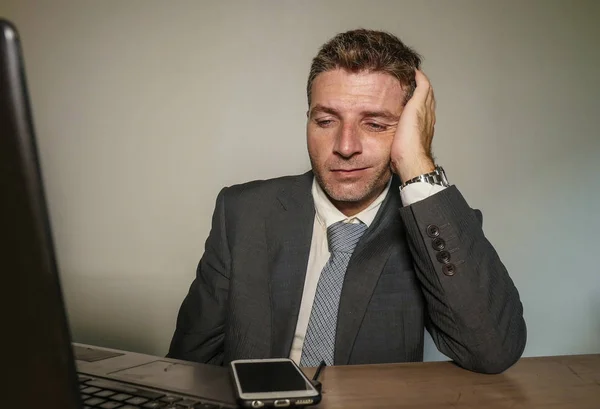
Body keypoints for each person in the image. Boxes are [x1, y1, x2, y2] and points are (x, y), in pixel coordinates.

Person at [167, 29, 526, 374]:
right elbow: (188, 363)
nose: (345, 146)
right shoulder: (243, 212)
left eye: (375, 124)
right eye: (325, 121)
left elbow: (492, 351)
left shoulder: (434, 226)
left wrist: (417, 164)